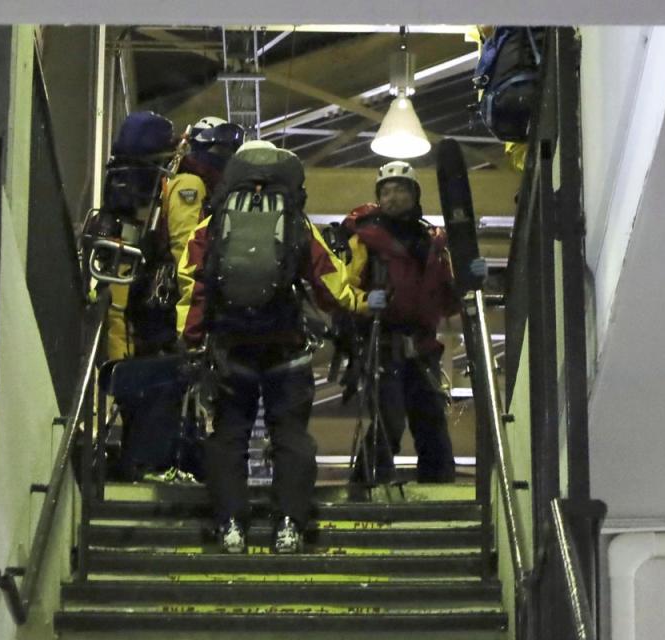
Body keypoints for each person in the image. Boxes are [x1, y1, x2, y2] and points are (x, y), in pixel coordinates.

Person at [176, 140, 366, 553]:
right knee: (291, 435)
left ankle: (230, 525)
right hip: (287, 349)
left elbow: (193, 285)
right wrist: (360, 306)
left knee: (229, 435)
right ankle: (289, 524)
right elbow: (331, 286)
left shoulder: (210, 227)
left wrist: (191, 342)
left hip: (231, 347)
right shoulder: (297, 222)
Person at [113, 116, 245, 482]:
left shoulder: (196, 183)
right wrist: (194, 312)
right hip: (168, 302)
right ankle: (152, 462)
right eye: (221, 149)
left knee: (176, 379)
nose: (226, 157)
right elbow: (187, 248)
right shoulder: (190, 183)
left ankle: (167, 459)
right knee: (167, 376)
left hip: (167, 302)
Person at [342, 160, 485, 485]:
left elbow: (447, 300)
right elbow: (344, 287)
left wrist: (471, 279)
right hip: (382, 341)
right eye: (387, 191)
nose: (393, 197)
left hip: (422, 345)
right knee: (389, 419)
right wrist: (365, 303)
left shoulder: (431, 244)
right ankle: (367, 484)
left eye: (400, 190)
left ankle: (439, 485)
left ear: (414, 194)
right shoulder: (365, 241)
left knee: (431, 418)